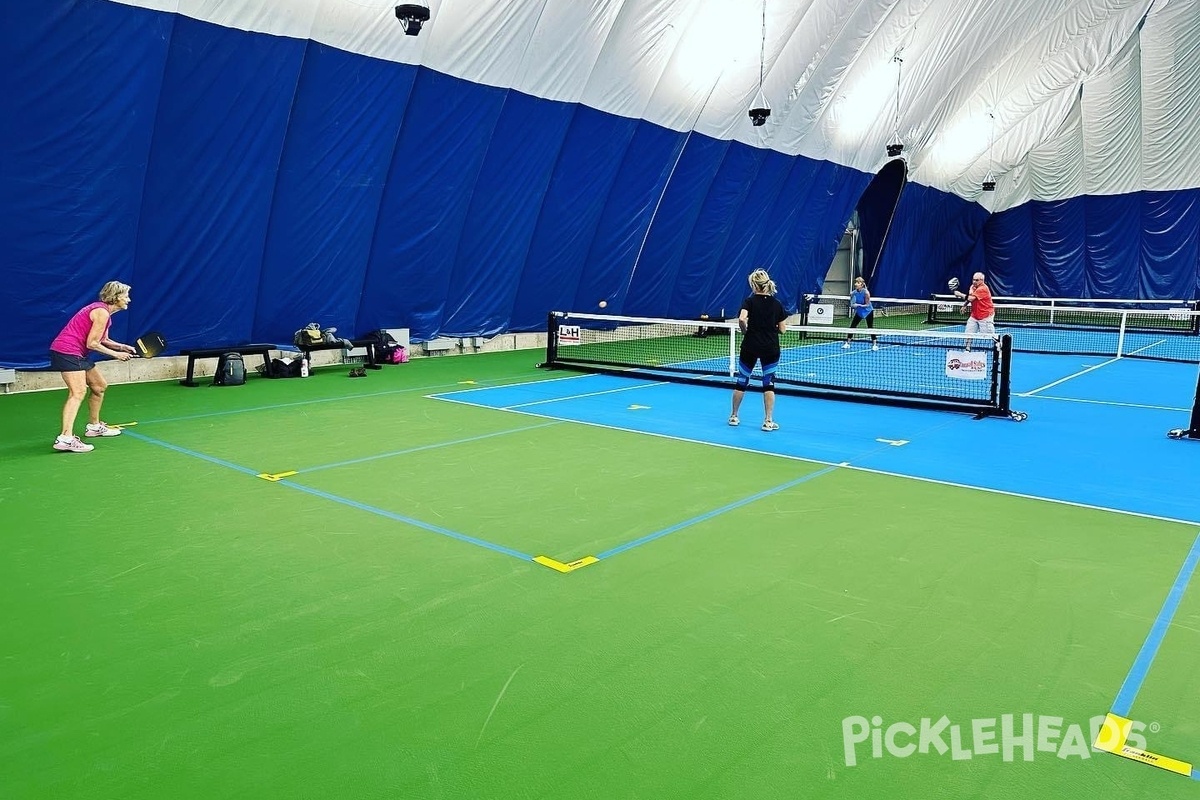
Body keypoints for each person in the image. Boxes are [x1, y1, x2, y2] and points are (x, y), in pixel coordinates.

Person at [49, 281, 136, 453]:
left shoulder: (104, 314)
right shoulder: (101, 312)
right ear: (116, 297)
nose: (129, 300)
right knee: (78, 392)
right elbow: (92, 343)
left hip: (77, 353)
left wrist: (122, 347)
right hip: (67, 351)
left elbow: (103, 339)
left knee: (99, 386)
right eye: (126, 296)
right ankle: (65, 438)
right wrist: (117, 355)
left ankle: (94, 427)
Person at [730, 268, 789, 432]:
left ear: (753, 285)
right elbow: (783, 329)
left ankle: (734, 416)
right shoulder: (777, 304)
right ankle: (768, 421)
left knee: (742, 380)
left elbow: (742, 318)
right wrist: (771, 328)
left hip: (750, 346)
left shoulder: (749, 302)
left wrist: (744, 329)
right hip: (770, 348)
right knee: (768, 383)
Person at [953, 271, 996, 350]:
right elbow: (970, 297)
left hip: (985, 316)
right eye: (973, 280)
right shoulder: (972, 287)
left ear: (982, 280)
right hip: (974, 315)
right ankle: (967, 349)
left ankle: (999, 347)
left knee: (989, 336)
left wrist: (959, 294)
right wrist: (964, 305)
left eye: (976, 280)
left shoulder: (983, 288)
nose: (974, 282)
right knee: (968, 333)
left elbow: (971, 298)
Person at [843, 276, 879, 350]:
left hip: (868, 311)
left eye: (858, 282)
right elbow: (851, 301)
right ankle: (847, 343)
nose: (856, 284)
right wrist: (852, 303)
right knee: (852, 326)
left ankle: (875, 344)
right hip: (859, 311)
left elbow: (867, 304)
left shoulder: (866, 293)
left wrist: (858, 305)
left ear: (862, 285)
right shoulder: (854, 292)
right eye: (856, 282)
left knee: (870, 327)